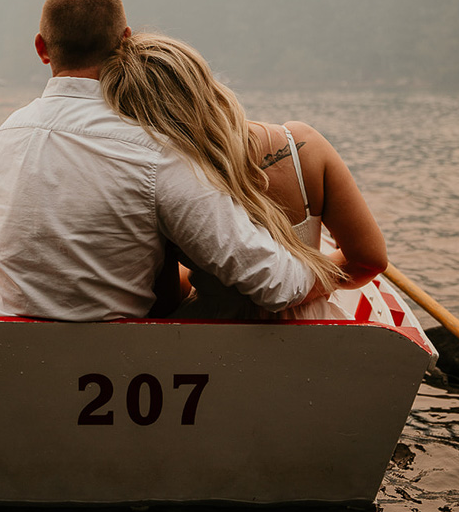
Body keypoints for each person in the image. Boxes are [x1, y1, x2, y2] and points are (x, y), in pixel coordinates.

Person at [0, 0, 331, 320]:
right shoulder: (159, 153)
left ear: (42, 48)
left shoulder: (9, 131)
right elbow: (278, 285)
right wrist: (334, 270)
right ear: (125, 43)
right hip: (109, 356)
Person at [99, 32, 388, 320]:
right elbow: (369, 260)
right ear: (203, 81)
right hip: (311, 329)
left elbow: (165, 301)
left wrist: (207, 271)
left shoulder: (163, 177)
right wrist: (308, 279)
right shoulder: (303, 144)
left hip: (215, 335)